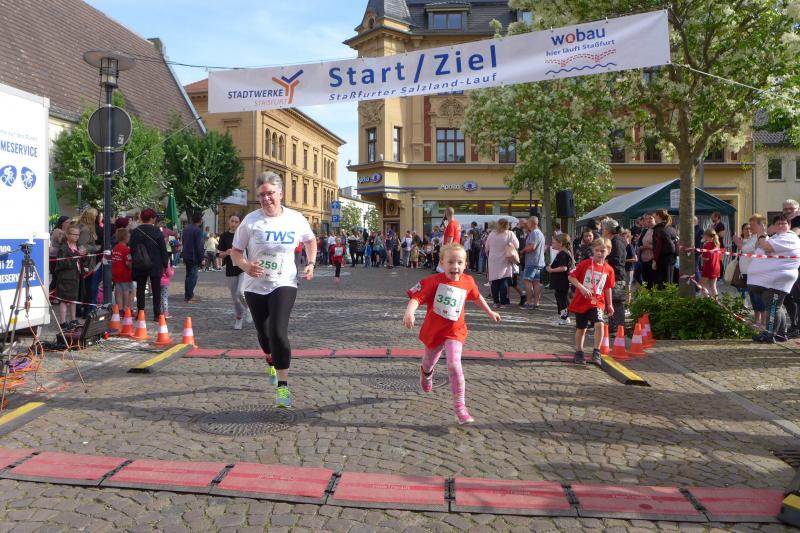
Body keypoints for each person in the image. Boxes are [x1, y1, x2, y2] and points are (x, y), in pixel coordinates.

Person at [230, 172, 316, 408]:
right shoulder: (250, 221)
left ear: (280, 194)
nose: (266, 199)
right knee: (264, 333)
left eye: (270, 194)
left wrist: (310, 263)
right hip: (255, 285)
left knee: (278, 332)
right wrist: (246, 266)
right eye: (261, 195)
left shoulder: (295, 218)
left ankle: (283, 387)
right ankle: (270, 358)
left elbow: (310, 240)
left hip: (284, 282)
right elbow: (236, 252)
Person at [403, 244, 500, 424]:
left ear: (465, 264)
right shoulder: (433, 281)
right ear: (442, 263)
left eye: (459, 262)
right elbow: (416, 297)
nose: (455, 266)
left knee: (454, 364)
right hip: (434, 332)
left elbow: (477, 296)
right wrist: (410, 313)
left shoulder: (468, 281)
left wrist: (489, 312)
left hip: (455, 331)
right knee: (428, 362)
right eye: (451, 262)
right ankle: (426, 373)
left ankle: (460, 407)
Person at [747, 214, 800, 343]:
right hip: (771, 279)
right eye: (777, 224)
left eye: (783, 223)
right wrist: (762, 237)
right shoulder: (777, 237)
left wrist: (761, 235)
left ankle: (769, 334)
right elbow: (760, 247)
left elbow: (766, 247)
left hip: (776, 279)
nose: (780, 226)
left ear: (789, 225)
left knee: (772, 307)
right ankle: (780, 334)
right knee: (776, 306)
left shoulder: (789, 237)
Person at [568, 238, 615, 366]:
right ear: (593, 250)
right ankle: (579, 352)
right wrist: (581, 288)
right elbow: (571, 277)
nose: (599, 253)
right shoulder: (585, 264)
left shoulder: (609, 269)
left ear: (608, 251)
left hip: (597, 301)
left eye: (602, 251)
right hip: (582, 301)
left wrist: (610, 304)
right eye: (597, 250)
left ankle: (596, 351)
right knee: (581, 328)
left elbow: (608, 288)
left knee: (599, 323)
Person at [128, 209, 169, 321]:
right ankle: (157, 314)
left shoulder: (136, 231)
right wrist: (165, 264)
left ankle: (141, 312)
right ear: (152, 218)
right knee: (156, 290)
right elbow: (163, 249)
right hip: (155, 263)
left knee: (140, 289)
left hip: (140, 263)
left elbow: (131, 248)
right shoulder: (157, 231)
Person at [217, 215, 249, 330]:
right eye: (232, 221)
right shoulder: (224, 236)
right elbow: (219, 254)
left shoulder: (244, 235)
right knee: (235, 299)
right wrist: (226, 252)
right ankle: (239, 318)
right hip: (231, 268)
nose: (234, 223)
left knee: (241, 292)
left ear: (240, 223)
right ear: (228, 222)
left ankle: (249, 309)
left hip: (243, 267)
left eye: (236, 221)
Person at [737, 214, 767, 323]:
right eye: (750, 224)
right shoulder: (753, 237)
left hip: (756, 273)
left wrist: (739, 243)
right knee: (753, 297)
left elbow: (747, 249)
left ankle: (763, 322)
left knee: (759, 297)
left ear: (761, 225)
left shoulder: (761, 237)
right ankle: (757, 319)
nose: (750, 227)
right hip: (748, 272)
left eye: (753, 224)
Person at [484, 218, 519, 309]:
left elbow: (486, 247)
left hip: (493, 260)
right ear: (508, 225)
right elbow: (517, 245)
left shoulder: (492, 234)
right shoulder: (510, 234)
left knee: (494, 282)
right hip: (505, 259)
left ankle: (496, 302)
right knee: (504, 281)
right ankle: (503, 303)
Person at [54, 223, 83, 325]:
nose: (76, 237)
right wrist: (77, 255)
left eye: (78, 235)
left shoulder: (77, 246)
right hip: (65, 277)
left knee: (73, 299)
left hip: (75, 276)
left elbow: (79, 260)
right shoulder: (64, 248)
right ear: (67, 235)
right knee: (64, 300)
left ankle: (73, 319)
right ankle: (63, 321)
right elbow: (63, 263)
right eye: (74, 234)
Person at [601, 218, 627, 331]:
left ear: (607, 230)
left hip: (616, 277)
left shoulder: (616, 242)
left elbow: (616, 261)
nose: (601, 231)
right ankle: (613, 327)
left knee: (616, 303)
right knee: (610, 302)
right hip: (612, 277)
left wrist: (604, 262)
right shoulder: (614, 241)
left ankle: (619, 328)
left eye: (603, 229)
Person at [547, 234, 574, 326]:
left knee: (562, 299)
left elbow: (564, 268)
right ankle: (564, 316)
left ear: (561, 243)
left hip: (562, 281)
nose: (552, 244)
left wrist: (551, 270)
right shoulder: (561, 253)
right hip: (559, 281)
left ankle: (565, 318)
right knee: (560, 298)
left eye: (554, 242)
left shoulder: (563, 254)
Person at [520, 216, 545, 309]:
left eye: (528, 222)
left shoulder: (534, 233)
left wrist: (522, 251)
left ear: (532, 223)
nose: (527, 223)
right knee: (536, 283)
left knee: (527, 281)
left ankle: (529, 303)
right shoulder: (540, 233)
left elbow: (532, 247)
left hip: (532, 262)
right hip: (539, 262)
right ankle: (536, 303)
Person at [181, 213, 204, 302]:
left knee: (188, 276)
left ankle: (188, 294)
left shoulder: (186, 229)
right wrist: (202, 258)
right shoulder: (198, 230)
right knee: (193, 276)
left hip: (186, 254)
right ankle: (189, 295)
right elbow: (199, 245)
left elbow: (183, 242)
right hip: (194, 256)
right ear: (200, 220)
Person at [650, 209, 675, 289]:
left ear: (658, 216)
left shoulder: (659, 229)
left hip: (662, 259)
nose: (653, 216)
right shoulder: (670, 228)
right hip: (671, 258)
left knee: (662, 282)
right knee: (669, 282)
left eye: (654, 215)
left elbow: (658, 246)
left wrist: (655, 260)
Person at [111, 228, 134, 312]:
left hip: (115, 273)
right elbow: (128, 263)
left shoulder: (115, 248)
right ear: (125, 237)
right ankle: (126, 308)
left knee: (118, 291)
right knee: (128, 291)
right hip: (125, 273)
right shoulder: (126, 249)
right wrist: (133, 267)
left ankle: (119, 308)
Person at [700, 228, 721, 298]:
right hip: (716, 266)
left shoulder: (706, 245)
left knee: (701, 285)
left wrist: (701, 256)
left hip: (709, 267)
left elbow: (706, 258)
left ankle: (707, 299)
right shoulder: (717, 243)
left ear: (706, 236)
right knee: (713, 286)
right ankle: (715, 301)